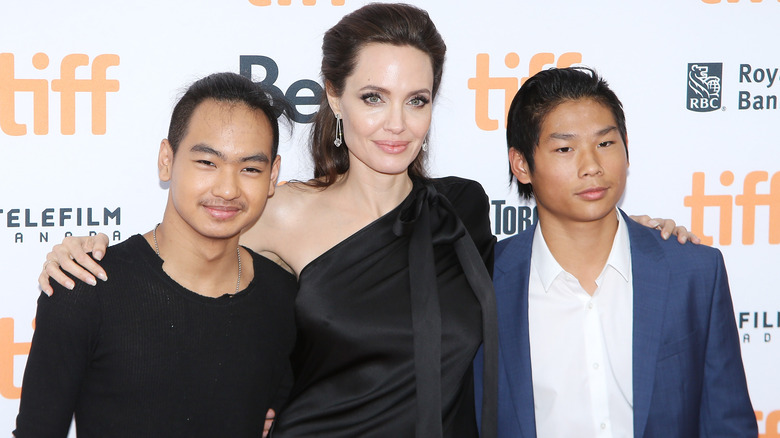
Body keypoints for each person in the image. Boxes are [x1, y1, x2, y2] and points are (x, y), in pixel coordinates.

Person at [35, 5, 694, 437]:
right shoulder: (278, 208)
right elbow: (178, 262)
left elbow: (548, 260)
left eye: (417, 99)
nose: (396, 123)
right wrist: (82, 252)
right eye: (374, 97)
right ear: (334, 98)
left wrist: (639, 237)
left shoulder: (461, 210)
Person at [474, 67, 756, 437]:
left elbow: (727, 424)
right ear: (522, 164)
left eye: (605, 143)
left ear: (626, 146)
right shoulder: (483, 284)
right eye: (564, 148)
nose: (591, 166)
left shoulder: (694, 272)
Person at [14, 72, 297, 437]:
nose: (228, 189)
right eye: (207, 163)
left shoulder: (283, 298)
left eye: (250, 169)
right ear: (167, 159)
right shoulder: (85, 285)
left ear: (272, 176)